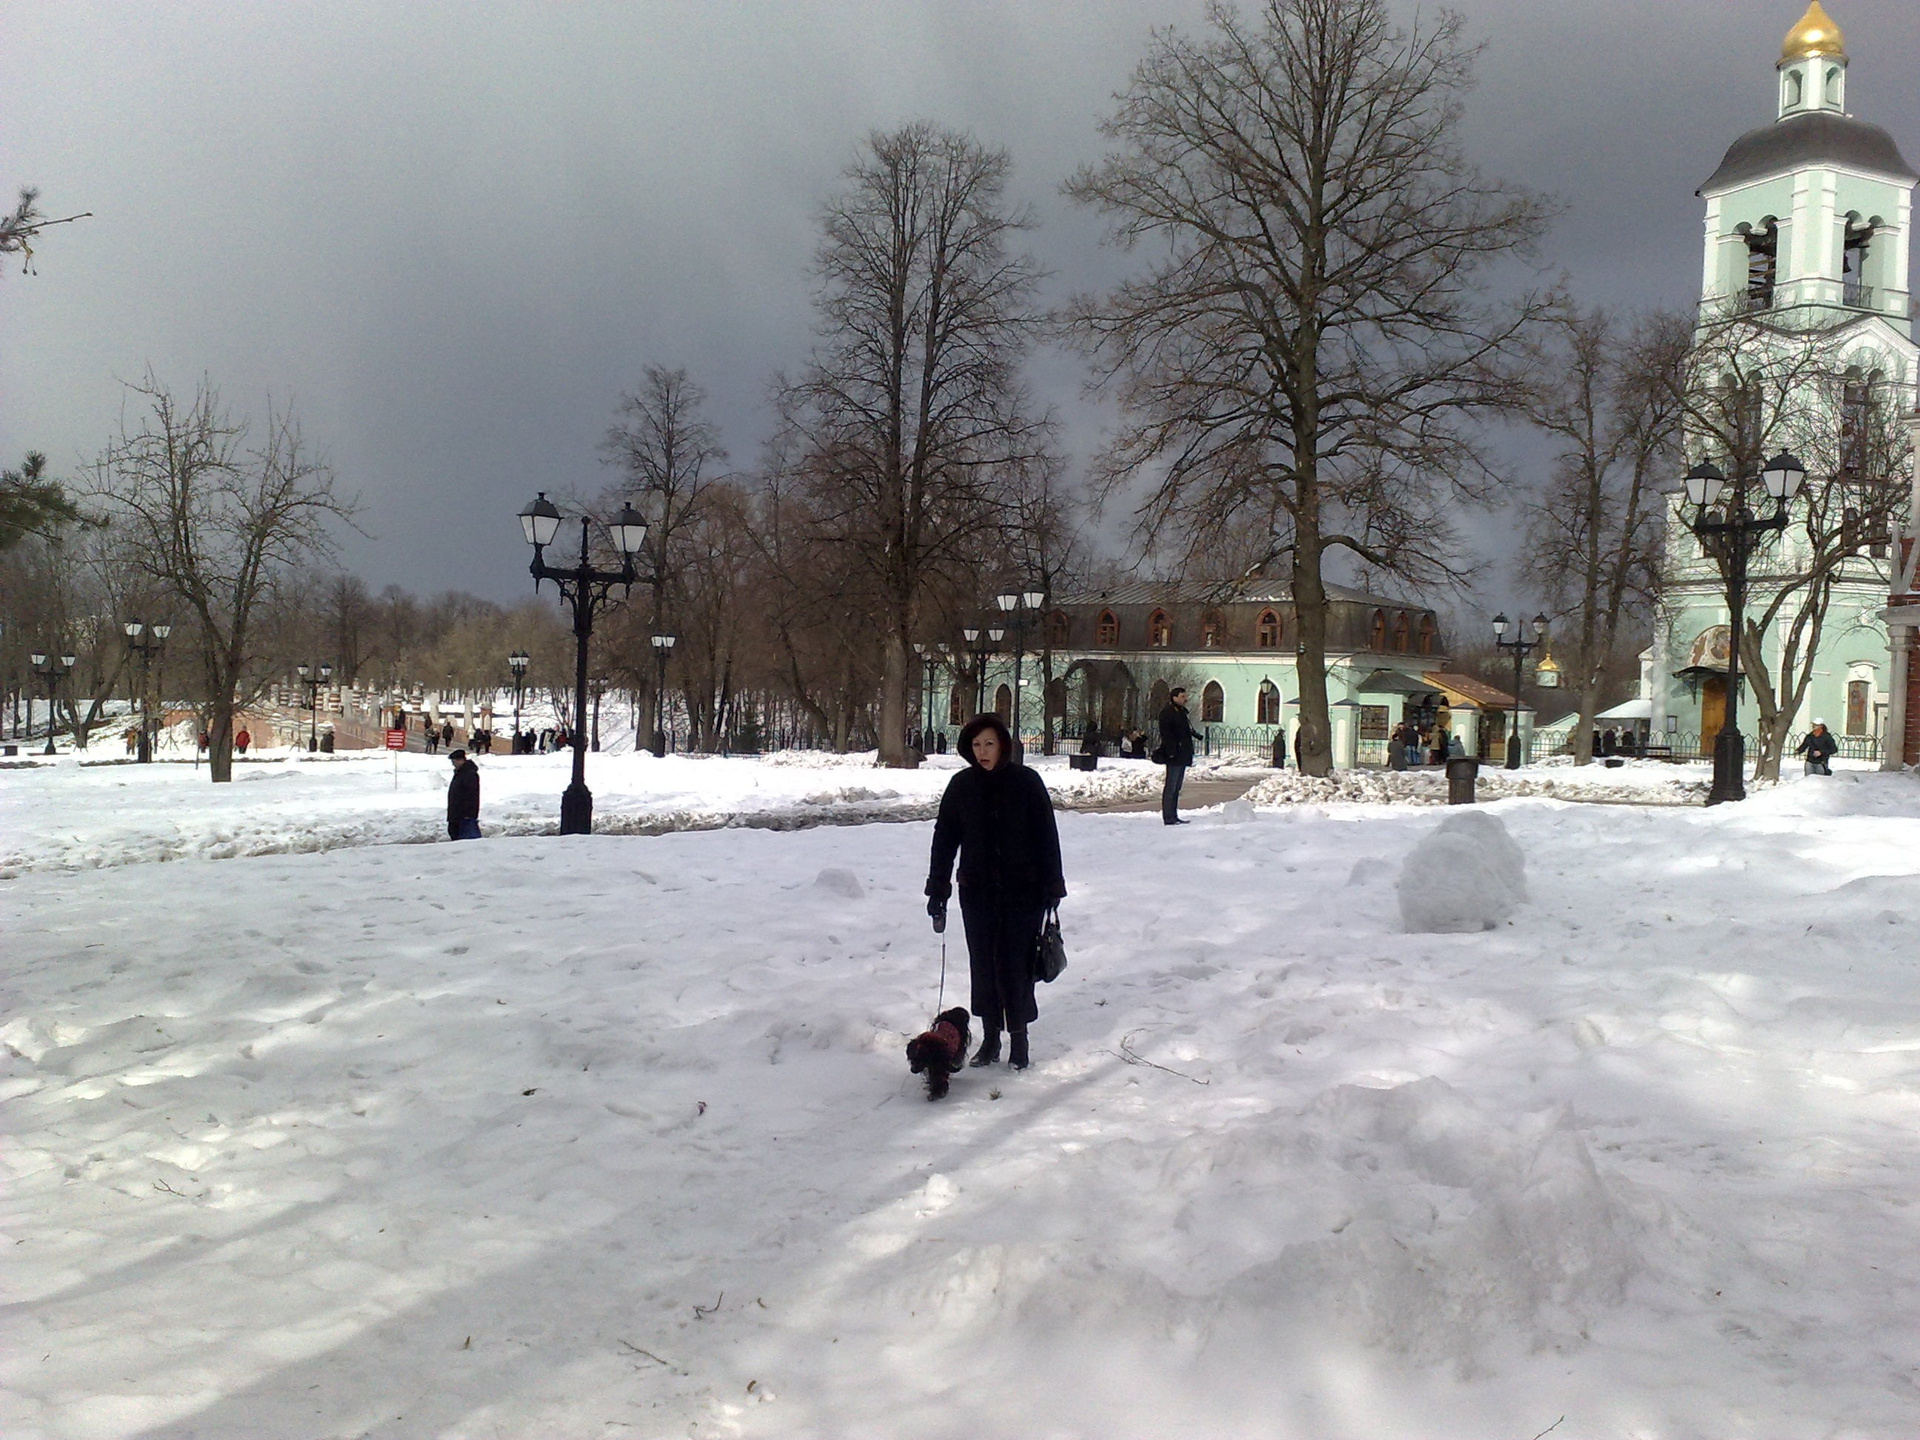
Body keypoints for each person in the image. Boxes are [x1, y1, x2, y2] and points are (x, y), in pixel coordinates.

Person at [925, 713, 1066, 1073]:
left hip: (1024, 892)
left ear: (1003, 744)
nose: (982, 751)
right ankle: (990, 1038)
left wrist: (1052, 884)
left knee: (1017, 965)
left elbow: (1046, 835)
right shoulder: (961, 786)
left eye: (989, 743)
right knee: (984, 964)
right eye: (976, 745)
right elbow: (945, 839)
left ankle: (1019, 1038)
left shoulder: (1026, 782)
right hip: (977, 892)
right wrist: (938, 887)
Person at [1156, 686, 1196, 825]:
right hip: (1174, 754)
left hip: (1182, 753)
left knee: (1177, 788)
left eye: (1185, 696)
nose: (1185, 699)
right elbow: (1166, 734)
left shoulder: (1181, 712)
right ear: (1174, 697)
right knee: (1171, 787)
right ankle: (1168, 817)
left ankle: (1173, 815)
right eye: (1182, 696)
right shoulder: (1168, 713)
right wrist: (1172, 751)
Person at [446, 748, 481, 839]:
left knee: (465, 839)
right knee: (455, 834)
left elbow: (471, 795)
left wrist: (468, 814)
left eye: (454, 762)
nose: (453, 764)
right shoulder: (460, 773)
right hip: (456, 814)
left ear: (461, 760)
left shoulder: (469, 774)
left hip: (464, 815)